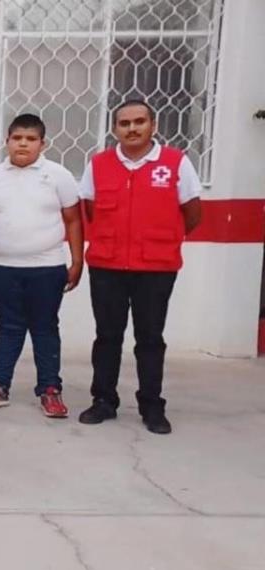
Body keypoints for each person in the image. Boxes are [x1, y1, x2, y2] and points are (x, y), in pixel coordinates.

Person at [77, 99, 202, 435]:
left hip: (156, 268)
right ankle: (104, 400)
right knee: (107, 336)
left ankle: (152, 405)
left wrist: (161, 239)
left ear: (152, 125)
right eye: (124, 123)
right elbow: (90, 209)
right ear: (115, 128)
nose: (132, 129)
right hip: (107, 266)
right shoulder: (98, 164)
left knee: (150, 338)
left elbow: (192, 213)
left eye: (139, 122)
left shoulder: (175, 162)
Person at [0, 114, 83, 417]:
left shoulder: (59, 176)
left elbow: (73, 220)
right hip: (1, 267)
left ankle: (50, 389)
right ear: (6, 141)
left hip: (47, 267)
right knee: (9, 326)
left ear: (42, 144)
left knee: (45, 327)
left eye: (30, 139)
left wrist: (77, 261)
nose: (23, 144)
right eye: (17, 138)